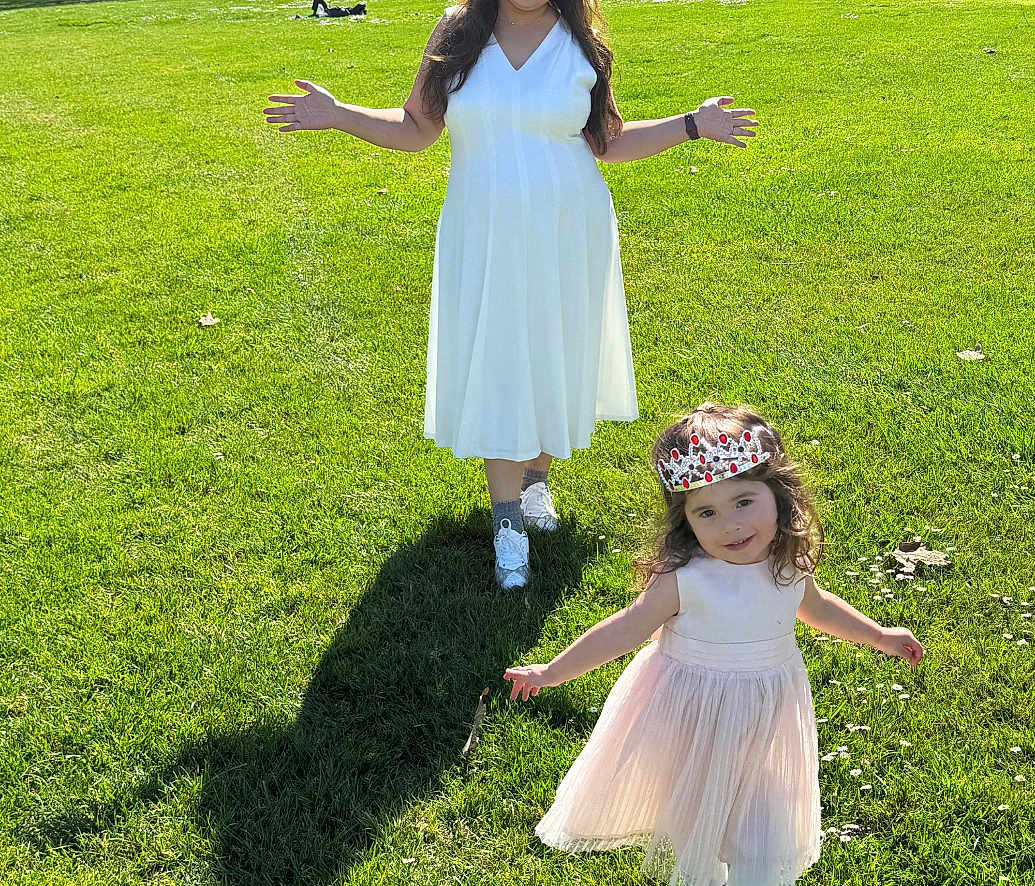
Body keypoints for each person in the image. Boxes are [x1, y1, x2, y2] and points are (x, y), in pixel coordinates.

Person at [264, 0, 758, 589]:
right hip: (483, 229)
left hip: (567, 228)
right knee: (500, 359)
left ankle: (535, 482)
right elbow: (417, 128)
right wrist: (339, 113)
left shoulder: (581, 40)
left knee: (552, 350)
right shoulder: (459, 31)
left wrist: (692, 124)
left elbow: (608, 142)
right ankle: (507, 524)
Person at [504, 402, 924, 886]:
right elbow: (621, 629)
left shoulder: (787, 568)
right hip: (694, 716)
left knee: (759, 832)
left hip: (765, 716)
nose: (728, 525)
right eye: (704, 511)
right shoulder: (685, 580)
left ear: (779, 496)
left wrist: (878, 635)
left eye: (742, 501)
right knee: (705, 813)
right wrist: (552, 669)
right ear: (683, 519)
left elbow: (818, 609)